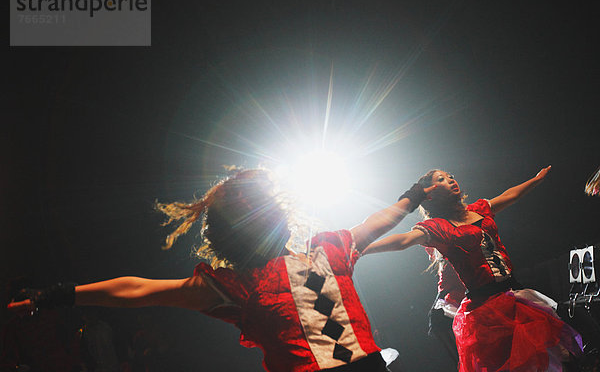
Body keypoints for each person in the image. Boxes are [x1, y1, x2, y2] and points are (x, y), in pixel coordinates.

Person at [7, 168, 435, 372]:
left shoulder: (323, 252)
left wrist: (56, 295)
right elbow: (135, 289)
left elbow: (137, 289)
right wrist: (56, 295)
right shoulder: (242, 283)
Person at [363, 166, 584, 372]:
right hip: (486, 308)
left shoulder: (479, 209)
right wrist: (362, 247)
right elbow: (403, 241)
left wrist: (536, 180)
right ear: (430, 194)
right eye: (441, 180)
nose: (450, 180)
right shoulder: (439, 227)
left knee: (546, 356)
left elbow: (510, 196)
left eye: (450, 176)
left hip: (515, 294)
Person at [424, 247, 465, 367]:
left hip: (461, 302)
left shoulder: (448, 266)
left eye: (430, 254)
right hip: (461, 299)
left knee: (437, 319)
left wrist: (433, 312)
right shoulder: (449, 264)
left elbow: (443, 287)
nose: (429, 258)